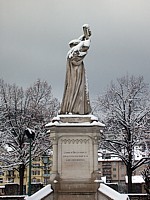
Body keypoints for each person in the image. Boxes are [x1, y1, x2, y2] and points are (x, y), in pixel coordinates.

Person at [60, 24, 92, 115]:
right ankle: (75, 110)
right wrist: (87, 37)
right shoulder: (74, 54)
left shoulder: (70, 53)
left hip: (75, 77)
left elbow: (82, 44)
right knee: (77, 93)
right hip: (76, 78)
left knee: (76, 94)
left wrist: (85, 35)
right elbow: (86, 46)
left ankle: (74, 109)